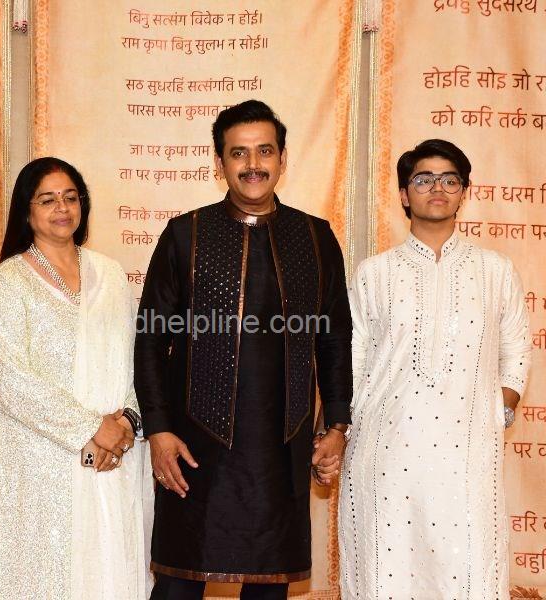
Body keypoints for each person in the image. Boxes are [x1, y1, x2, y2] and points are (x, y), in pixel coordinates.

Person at [134, 99, 352, 600]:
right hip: (195, 449)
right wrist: (159, 431)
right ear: (220, 163)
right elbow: (150, 340)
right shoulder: (185, 234)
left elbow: (334, 340)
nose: (253, 164)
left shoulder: (315, 237)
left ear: (282, 158)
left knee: (268, 587)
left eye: (264, 151)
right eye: (239, 153)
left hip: (282, 449)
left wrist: (336, 426)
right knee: (178, 585)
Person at [339, 139, 531, 599]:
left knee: (466, 565)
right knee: (388, 566)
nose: (437, 188)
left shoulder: (496, 270)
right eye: (423, 179)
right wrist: (344, 425)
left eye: (450, 179)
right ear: (404, 194)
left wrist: (499, 410)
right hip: (386, 450)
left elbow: (516, 349)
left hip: (468, 451)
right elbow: (352, 356)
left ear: (465, 191)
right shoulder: (374, 273)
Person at [0, 156, 148, 599]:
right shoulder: (9, 281)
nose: (62, 208)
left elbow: (136, 358)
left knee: (108, 569)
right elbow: (6, 375)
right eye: (48, 199)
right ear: (26, 210)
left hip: (113, 457)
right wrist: (90, 428)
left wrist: (125, 425)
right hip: (35, 462)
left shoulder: (110, 275)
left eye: (71, 197)